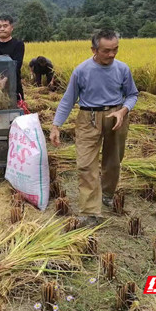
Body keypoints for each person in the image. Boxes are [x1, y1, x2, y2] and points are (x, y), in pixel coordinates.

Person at [49, 29, 138, 227]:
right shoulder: (82, 70)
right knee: (86, 163)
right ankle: (90, 212)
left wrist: (123, 111)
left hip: (116, 116)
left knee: (113, 160)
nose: (112, 55)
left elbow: (132, 95)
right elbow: (68, 99)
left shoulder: (122, 69)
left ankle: (107, 193)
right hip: (88, 117)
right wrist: (56, 126)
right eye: (106, 50)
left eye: (115, 49)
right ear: (94, 49)